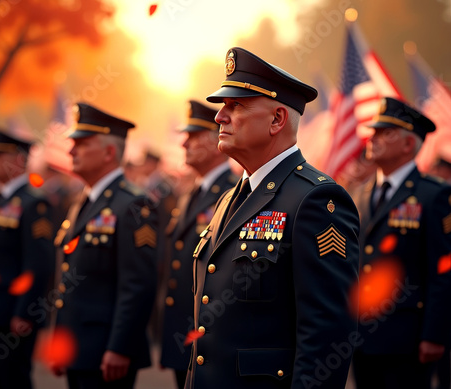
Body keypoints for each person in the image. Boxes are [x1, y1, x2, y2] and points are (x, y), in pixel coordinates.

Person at [184, 47, 360, 388]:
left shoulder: (315, 199)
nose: (219, 117)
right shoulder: (228, 199)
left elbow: (326, 335)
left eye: (235, 106)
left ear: (277, 120)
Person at [51, 102, 158, 389]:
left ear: (110, 152)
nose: (71, 150)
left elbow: (137, 285)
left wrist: (120, 347)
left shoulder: (134, 204)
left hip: (107, 353)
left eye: (82, 144)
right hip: (78, 348)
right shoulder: (83, 201)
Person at [350, 97, 451, 389]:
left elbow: (443, 272)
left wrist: (434, 335)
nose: (374, 138)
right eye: (375, 131)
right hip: (360, 337)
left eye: (386, 132)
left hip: (407, 338)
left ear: (409, 145)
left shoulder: (433, 196)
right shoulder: (358, 194)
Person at [0, 129, 55, 389]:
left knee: (12, 380)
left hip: (11, 314)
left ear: (18, 160)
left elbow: (38, 264)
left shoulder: (33, 203)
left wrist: (24, 313)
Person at [160, 99, 237, 388]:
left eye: (193, 137)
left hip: (211, 335)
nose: (184, 145)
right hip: (184, 329)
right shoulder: (191, 192)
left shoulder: (231, 191)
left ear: (213, 139)